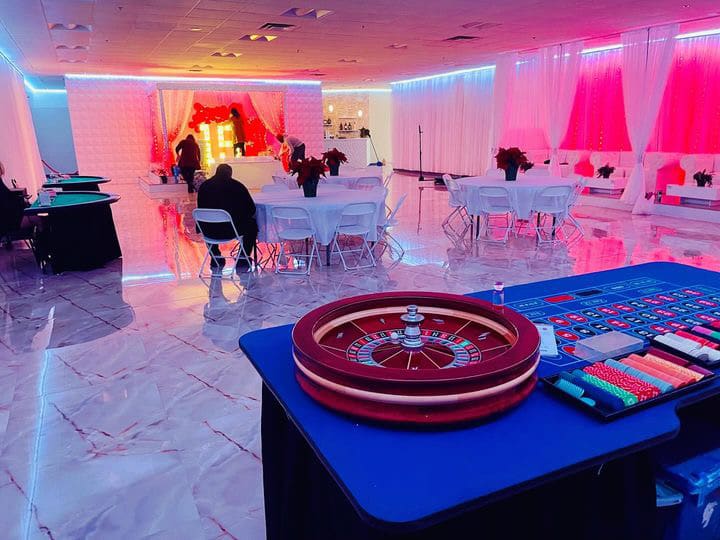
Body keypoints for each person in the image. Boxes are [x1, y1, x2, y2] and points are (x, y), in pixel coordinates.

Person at [196, 163, 257, 271]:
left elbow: (201, 208)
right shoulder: (237, 186)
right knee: (252, 226)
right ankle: (242, 259)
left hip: (209, 231)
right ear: (230, 173)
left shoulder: (204, 186)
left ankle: (215, 256)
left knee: (206, 222)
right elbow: (251, 209)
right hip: (231, 230)